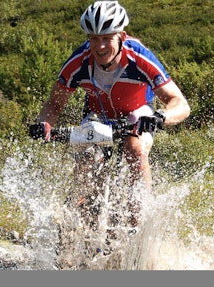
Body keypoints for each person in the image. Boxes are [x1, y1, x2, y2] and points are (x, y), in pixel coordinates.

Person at [30, 1, 190, 206]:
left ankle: (140, 213)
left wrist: (160, 117)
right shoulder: (78, 62)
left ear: (121, 37)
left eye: (107, 38)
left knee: (135, 148)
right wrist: (44, 125)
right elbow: (54, 104)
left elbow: (180, 103)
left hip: (137, 114)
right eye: (94, 38)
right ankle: (78, 222)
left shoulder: (139, 57)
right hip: (98, 117)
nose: (100, 46)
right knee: (86, 161)